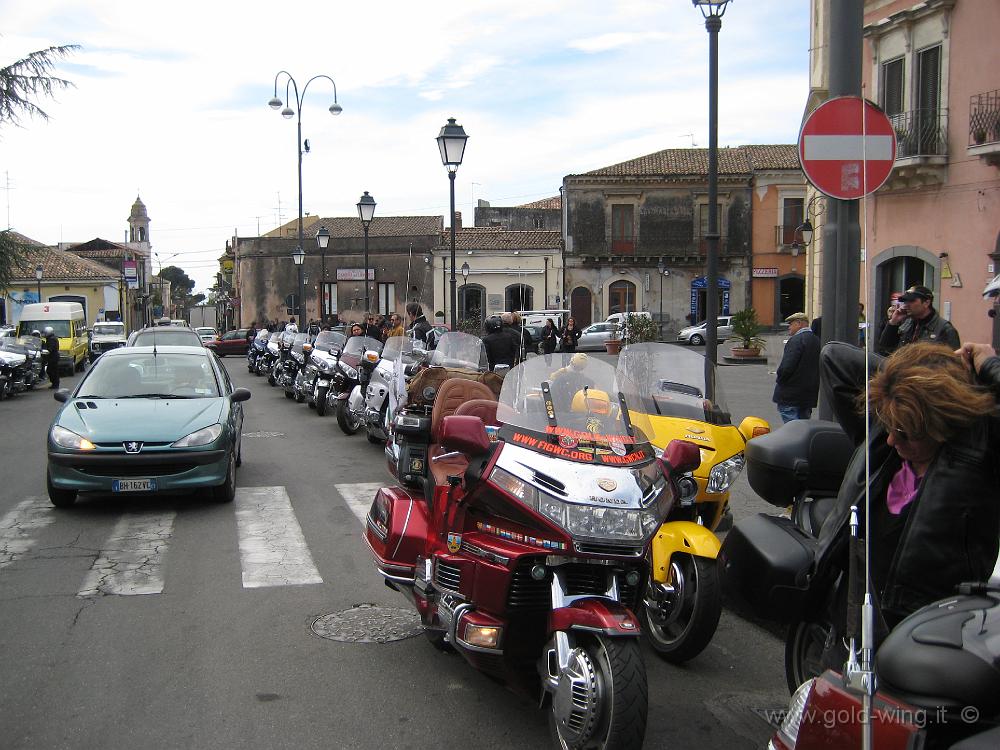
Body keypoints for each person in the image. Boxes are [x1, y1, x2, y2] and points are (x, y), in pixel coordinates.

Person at [814, 340, 1000, 642]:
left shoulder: (977, 458)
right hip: (853, 617)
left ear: (941, 425)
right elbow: (833, 357)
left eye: (905, 434)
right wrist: (918, 376)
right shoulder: (887, 439)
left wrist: (989, 367)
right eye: (889, 428)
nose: (891, 440)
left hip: (925, 631)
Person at [877, 285, 960, 355]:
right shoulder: (907, 324)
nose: (906, 304)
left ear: (926, 303)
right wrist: (893, 322)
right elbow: (885, 348)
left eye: (911, 301)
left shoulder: (944, 329)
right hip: (904, 372)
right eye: (905, 301)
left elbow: (953, 363)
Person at [772, 312, 820, 422]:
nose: (789, 327)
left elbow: (786, 367)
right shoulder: (816, 340)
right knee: (804, 428)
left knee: (792, 430)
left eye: (791, 324)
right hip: (808, 395)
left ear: (799, 323)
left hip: (791, 395)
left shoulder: (796, 340)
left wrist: (780, 380)